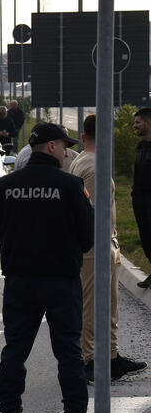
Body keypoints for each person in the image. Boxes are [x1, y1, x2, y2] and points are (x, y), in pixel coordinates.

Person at [0, 122, 95, 413]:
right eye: (64, 146)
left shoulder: (6, 187)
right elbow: (88, 237)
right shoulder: (71, 186)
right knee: (68, 352)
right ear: (51, 147)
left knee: (14, 351)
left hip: (20, 281)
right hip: (61, 281)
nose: (67, 152)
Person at [69, 113, 148, 382]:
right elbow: (90, 212)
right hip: (95, 246)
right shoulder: (92, 166)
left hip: (102, 244)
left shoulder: (83, 159)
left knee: (108, 306)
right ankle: (92, 359)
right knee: (93, 306)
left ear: (84, 136)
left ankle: (111, 356)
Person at [131, 107, 151, 289]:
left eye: (138, 122)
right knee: (146, 237)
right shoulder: (141, 146)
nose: (134, 126)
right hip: (140, 199)